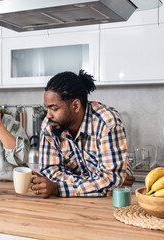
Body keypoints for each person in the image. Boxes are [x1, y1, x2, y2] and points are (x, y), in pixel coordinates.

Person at [31, 70, 134, 198]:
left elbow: (111, 182)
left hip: (108, 204)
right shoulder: (50, 125)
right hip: (69, 205)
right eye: (47, 108)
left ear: (75, 106)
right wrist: (98, 182)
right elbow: (49, 172)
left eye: (54, 108)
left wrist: (58, 188)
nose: (48, 115)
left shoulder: (107, 123)